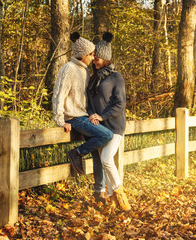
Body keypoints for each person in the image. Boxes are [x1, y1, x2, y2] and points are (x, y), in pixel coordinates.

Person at [52, 32, 113, 183]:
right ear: (83, 54)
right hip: (74, 118)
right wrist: (60, 121)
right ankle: (77, 153)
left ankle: (99, 191)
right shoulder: (69, 68)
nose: (93, 58)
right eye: (91, 54)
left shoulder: (84, 70)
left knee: (98, 155)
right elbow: (58, 96)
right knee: (107, 135)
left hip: (84, 116)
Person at [87, 32, 131, 211]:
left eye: (97, 57)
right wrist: (91, 115)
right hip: (99, 128)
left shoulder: (116, 77)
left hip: (114, 127)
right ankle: (114, 199)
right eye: (93, 57)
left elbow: (120, 104)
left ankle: (120, 195)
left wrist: (102, 116)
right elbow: (89, 102)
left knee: (106, 159)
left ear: (105, 58)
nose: (94, 60)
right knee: (105, 164)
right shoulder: (93, 79)